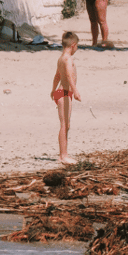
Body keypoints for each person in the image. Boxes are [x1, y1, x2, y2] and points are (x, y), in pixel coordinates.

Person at [51, 31, 82, 164]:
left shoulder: (61, 58)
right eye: (77, 47)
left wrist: (53, 90)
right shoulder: (68, 59)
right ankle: (63, 155)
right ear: (73, 45)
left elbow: (57, 75)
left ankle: (63, 154)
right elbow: (68, 76)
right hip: (64, 93)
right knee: (64, 125)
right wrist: (75, 91)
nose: (77, 49)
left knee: (66, 124)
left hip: (61, 92)